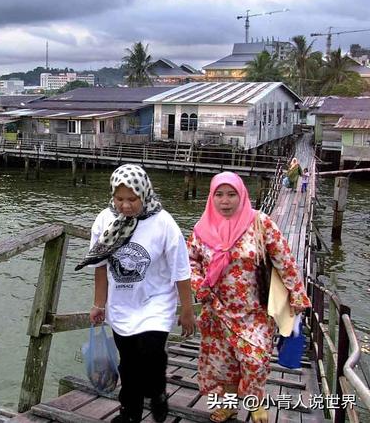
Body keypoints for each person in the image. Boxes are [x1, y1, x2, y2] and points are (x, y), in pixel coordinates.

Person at [187, 172, 311, 423]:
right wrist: (198, 285)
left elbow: (284, 260)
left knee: (255, 360)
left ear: (241, 195)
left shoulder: (260, 223)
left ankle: (255, 403)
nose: (225, 201)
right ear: (211, 197)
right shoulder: (201, 230)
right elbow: (189, 263)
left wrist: (297, 294)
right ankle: (230, 406)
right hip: (217, 311)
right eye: (219, 195)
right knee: (224, 365)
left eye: (231, 194)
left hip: (254, 312)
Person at [76, 164, 195, 423]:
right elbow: (99, 267)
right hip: (122, 304)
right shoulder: (105, 221)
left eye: (132, 199)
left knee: (150, 352)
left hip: (156, 301)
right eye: (119, 199)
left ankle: (157, 391)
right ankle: (130, 411)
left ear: (144, 194)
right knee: (128, 362)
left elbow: (181, 270)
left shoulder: (163, 223)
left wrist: (187, 310)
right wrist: (99, 304)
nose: (125, 206)